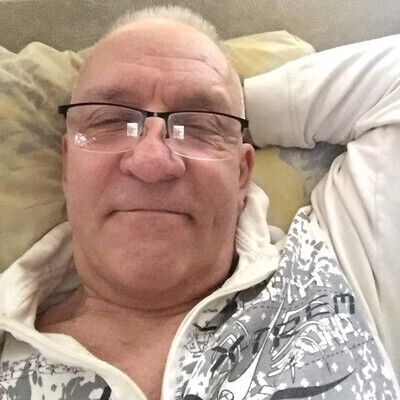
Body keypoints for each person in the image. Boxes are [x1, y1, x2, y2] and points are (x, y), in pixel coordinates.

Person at [0, 5, 399, 400]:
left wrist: (238, 112)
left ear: (241, 173)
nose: (152, 162)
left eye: (198, 125)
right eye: (109, 121)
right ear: (67, 166)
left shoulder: (343, 265)